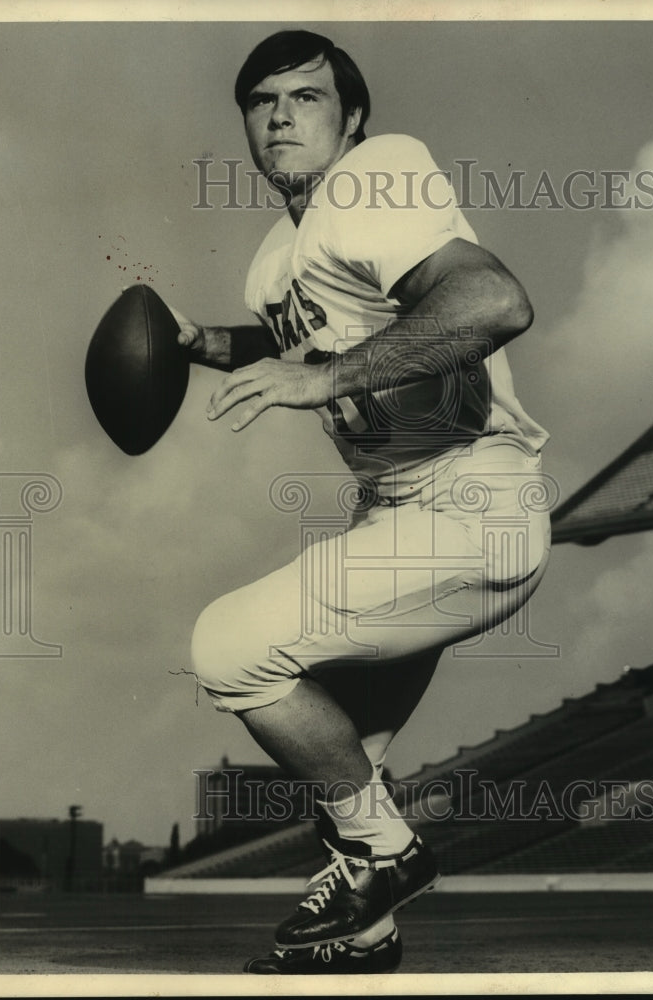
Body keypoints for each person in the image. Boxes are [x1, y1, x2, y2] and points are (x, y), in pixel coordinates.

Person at [174, 30, 551, 975]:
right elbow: (314, 346)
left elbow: (492, 301)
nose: (280, 116)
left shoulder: (373, 177)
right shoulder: (277, 256)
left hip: (471, 501)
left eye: (305, 97)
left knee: (229, 648)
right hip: (401, 516)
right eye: (261, 103)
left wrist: (326, 376)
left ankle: (390, 856)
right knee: (335, 754)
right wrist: (204, 344)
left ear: (354, 121)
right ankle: (362, 932)